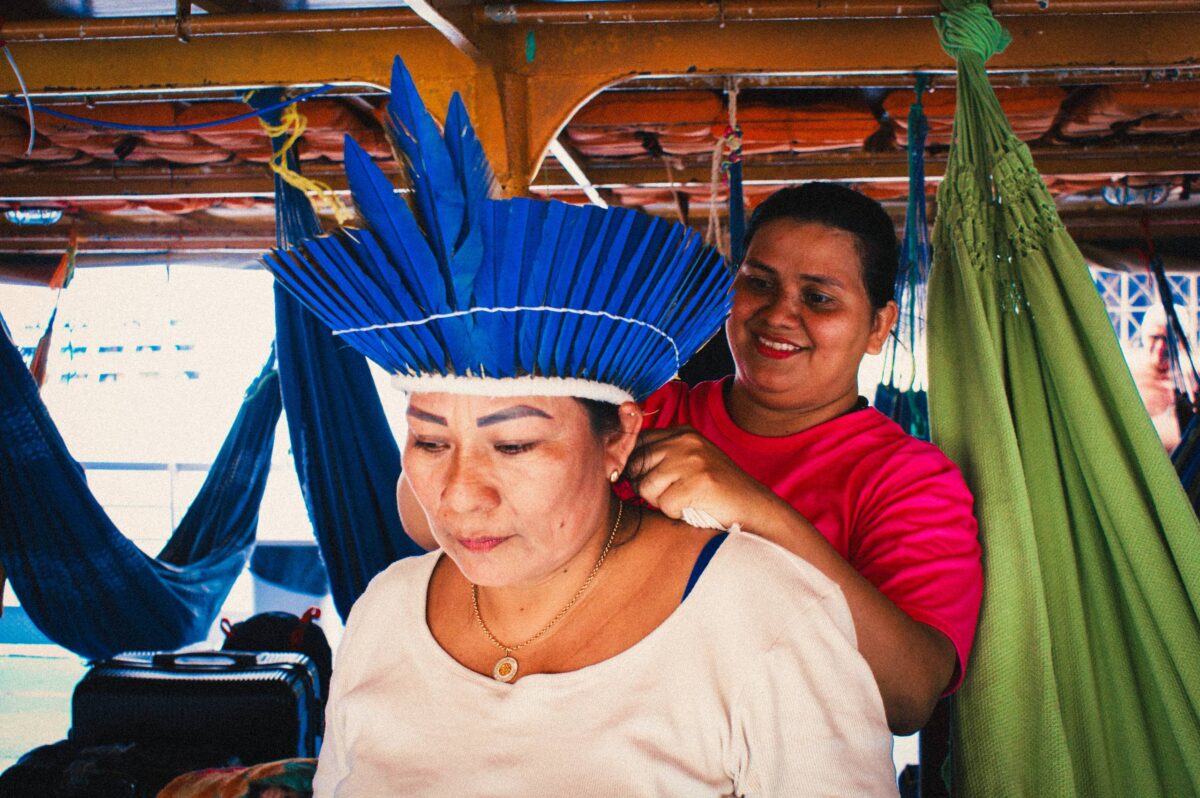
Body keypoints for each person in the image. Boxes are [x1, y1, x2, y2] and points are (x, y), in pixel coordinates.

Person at [266, 58, 898, 796]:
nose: (462, 495)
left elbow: (914, 691)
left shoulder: (769, 616)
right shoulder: (383, 614)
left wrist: (755, 511)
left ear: (623, 439)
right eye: (432, 441)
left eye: (514, 444)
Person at [628, 184, 982, 735]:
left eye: (818, 298)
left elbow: (908, 697)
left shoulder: (909, 480)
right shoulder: (640, 414)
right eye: (759, 283)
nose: (778, 314)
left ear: (878, 327)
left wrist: (755, 510)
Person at [1131, 304, 1195, 453]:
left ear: (1182, 341)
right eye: (1155, 337)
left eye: (1168, 340)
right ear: (1144, 335)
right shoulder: (1129, 376)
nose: (1161, 347)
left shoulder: (1192, 377)